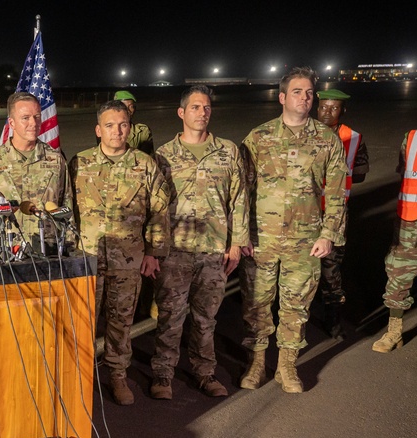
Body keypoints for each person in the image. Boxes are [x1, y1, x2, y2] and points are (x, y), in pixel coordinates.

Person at [237, 67, 348, 393]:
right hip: (262, 239)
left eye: (310, 92)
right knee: (256, 303)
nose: (305, 97)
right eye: (298, 92)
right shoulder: (259, 137)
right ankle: (256, 363)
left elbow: (337, 192)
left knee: (297, 305)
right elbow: (241, 191)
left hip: (306, 240)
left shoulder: (326, 140)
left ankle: (286, 366)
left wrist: (329, 234)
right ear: (283, 97)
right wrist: (241, 235)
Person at [150, 85, 248, 400]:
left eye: (206, 107)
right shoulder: (164, 155)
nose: (202, 113)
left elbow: (239, 198)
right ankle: (163, 376)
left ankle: (204, 374)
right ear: (181, 112)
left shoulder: (228, 151)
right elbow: (153, 206)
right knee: (170, 317)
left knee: (206, 319)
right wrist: (155, 249)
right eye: (195, 107)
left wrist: (237, 242)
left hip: (214, 249)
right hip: (175, 251)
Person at [69, 100, 170, 405]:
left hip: (129, 259)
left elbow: (160, 211)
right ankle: (80, 379)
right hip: (86, 260)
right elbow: (65, 210)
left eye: (123, 124)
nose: (117, 131)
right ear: (98, 130)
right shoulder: (79, 163)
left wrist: (154, 252)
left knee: (121, 322)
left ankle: (117, 375)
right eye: (110, 125)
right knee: (82, 322)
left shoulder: (145, 164)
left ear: (131, 126)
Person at [0, 91, 70, 256]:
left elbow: (66, 210)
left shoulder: (56, 160)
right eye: (25, 118)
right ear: (11, 123)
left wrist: (70, 254)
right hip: (6, 255)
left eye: (37, 116)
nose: (33, 123)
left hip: (47, 253)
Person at [315, 89, 369, 338]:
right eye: (323, 107)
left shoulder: (354, 138)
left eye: (333, 108)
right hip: (304, 213)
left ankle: (333, 317)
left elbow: (360, 173)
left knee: (331, 268)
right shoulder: (302, 133)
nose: (327, 112)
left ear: (342, 110)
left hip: (335, 215)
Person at [372, 129, 417, 352]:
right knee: (398, 273)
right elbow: (405, 174)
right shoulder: (411, 137)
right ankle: (394, 332)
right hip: (410, 220)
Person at [114, 90, 155, 155]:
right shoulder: (106, 130)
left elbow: (147, 157)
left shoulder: (142, 131)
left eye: (131, 106)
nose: (128, 111)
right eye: (123, 107)